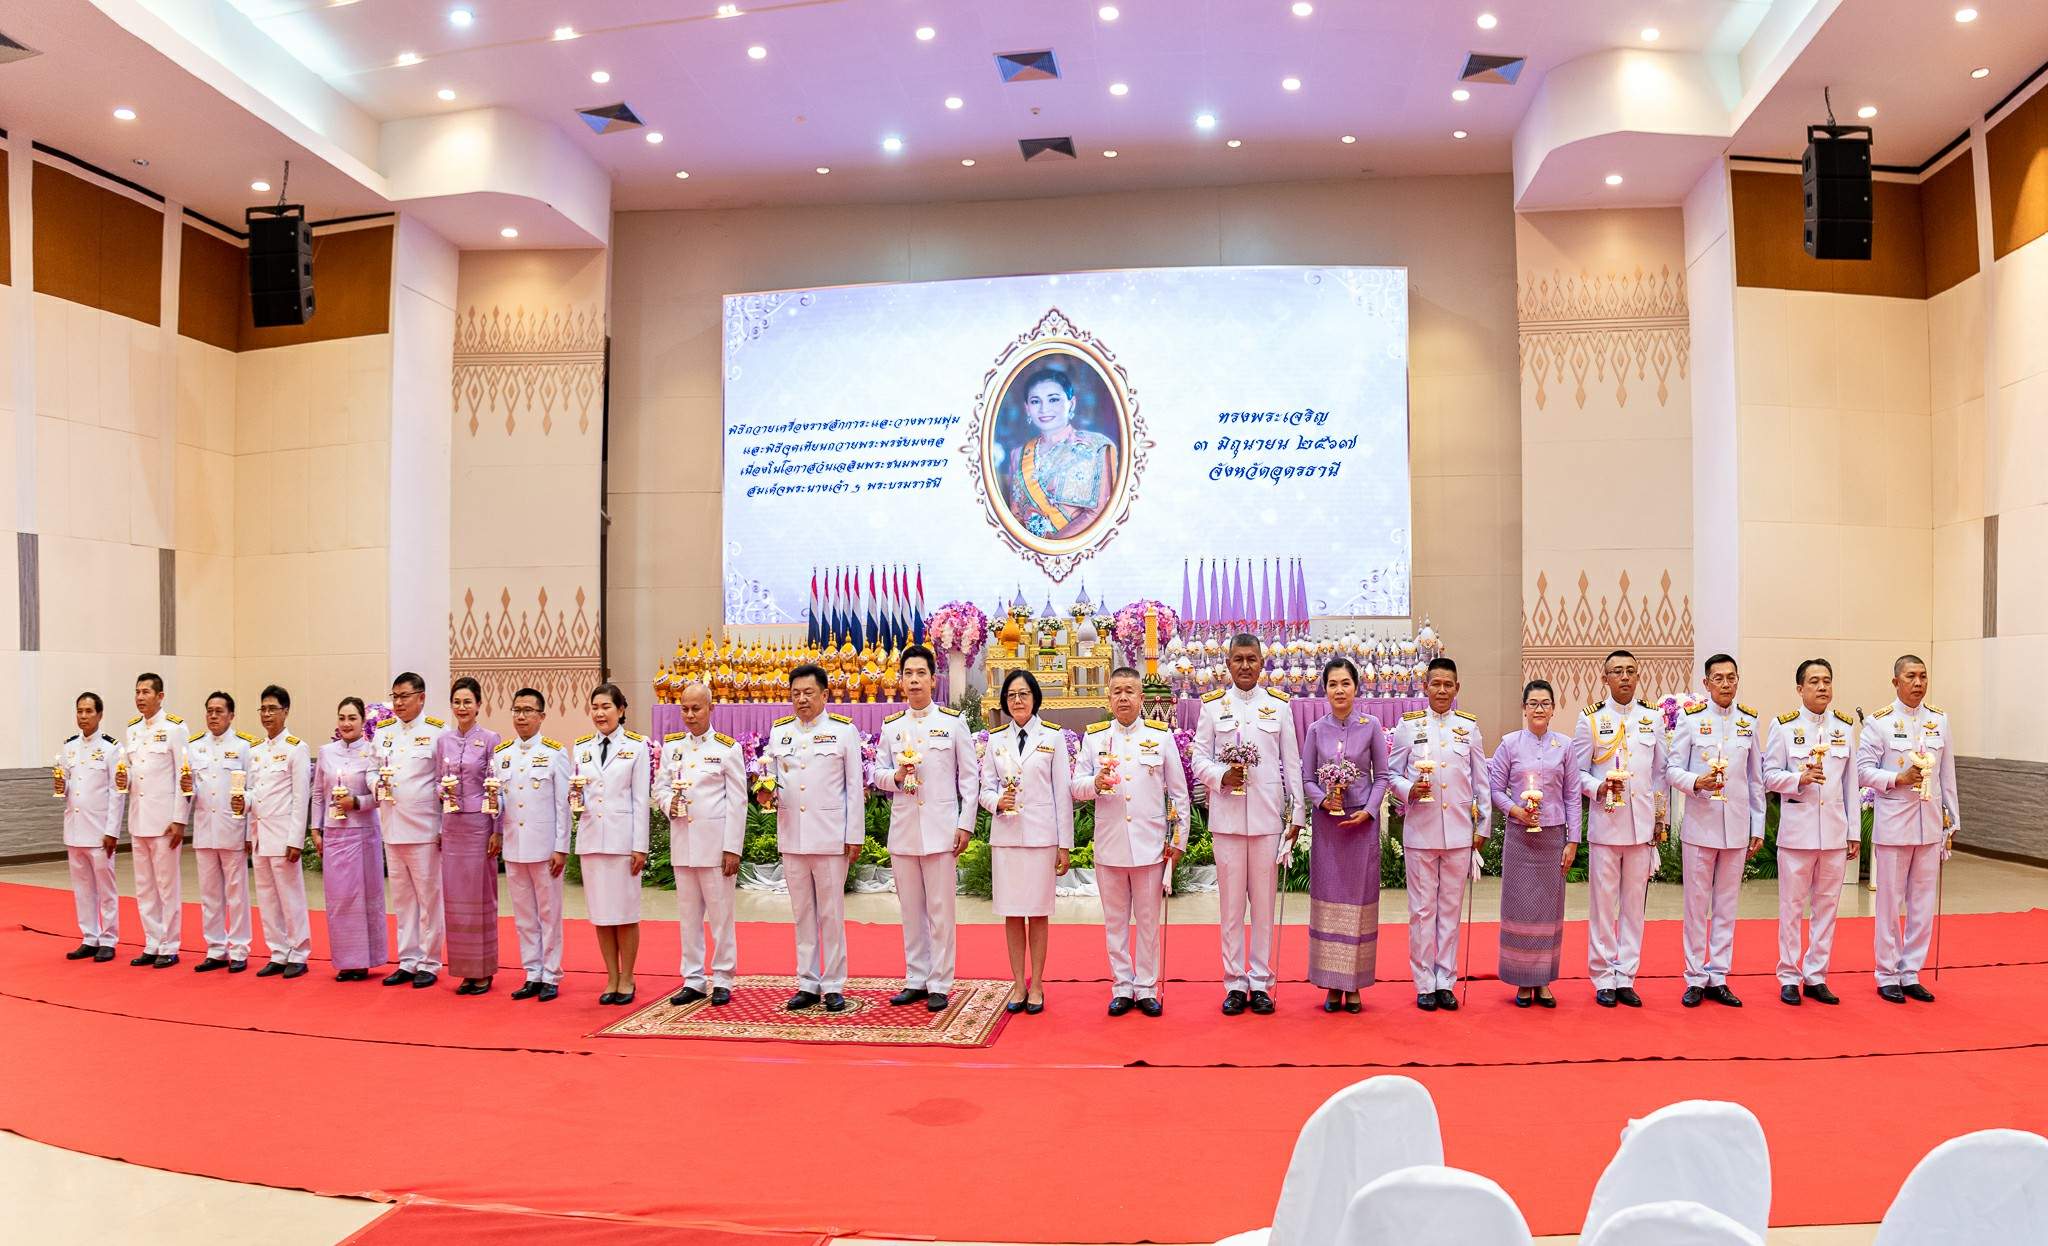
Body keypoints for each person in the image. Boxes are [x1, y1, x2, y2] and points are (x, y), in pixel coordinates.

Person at [1193, 633, 1303, 1016]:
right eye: (1238, 659)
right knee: (1231, 907)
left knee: (1263, 907)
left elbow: (1291, 763)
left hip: (1266, 820)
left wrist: (1298, 814)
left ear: (1261, 662)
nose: (1245, 665)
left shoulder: (1279, 707)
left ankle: (1260, 982)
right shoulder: (1212, 706)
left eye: (1251, 659)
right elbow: (1198, 758)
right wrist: (1221, 775)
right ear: (1228, 664)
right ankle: (1235, 983)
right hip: (1226, 820)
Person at [873, 645, 978, 1012]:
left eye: (921, 673)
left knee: (940, 909)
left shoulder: (952, 722)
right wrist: (895, 776)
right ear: (900, 681)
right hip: (904, 830)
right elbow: (877, 773)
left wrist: (965, 824)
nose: (914, 680)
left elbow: (969, 778)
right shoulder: (892, 727)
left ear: (934, 680)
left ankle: (940, 982)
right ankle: (916, 978)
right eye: (908, 674)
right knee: (910, 910)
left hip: (940, 829)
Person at [1388, 657, 1489, 1012]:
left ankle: (1446, 980)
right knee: (1421, 911)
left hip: (1459, 833)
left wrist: (1483, 826)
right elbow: (1392, 774)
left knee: (1450, 910)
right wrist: (1409, 789)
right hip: (1421, 831)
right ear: (1425, 686)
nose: (1442, 690)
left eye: (1448, 684)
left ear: (1457, 688)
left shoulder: (1468, 727)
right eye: (1436, 684)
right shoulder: (1408, 726)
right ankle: (1424, 983)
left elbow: (1481, 780)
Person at [1857, 654, 1958, 1004]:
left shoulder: (1939, 721)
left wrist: (1952, 820)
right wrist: (1897, 778)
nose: (1918, 683)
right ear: (1895, 682)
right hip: (1895, 825)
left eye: (1923, 676)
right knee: (1889, 902)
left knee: (1922, 904)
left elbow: (1947, 775)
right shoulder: (1879, 723)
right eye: (1911, 676)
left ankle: (1911, 972)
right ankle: (1887, 974)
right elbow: (1862, 771)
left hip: (1929, 825)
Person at [1666, 654, 1765, 1008]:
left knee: (1727, 905)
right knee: (1696, 906)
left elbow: (1755, 779)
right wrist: (1697, 782)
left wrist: (1757, 824)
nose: (1726, 684)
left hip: (1736, 826)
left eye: (1731, 677)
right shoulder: (1691, 720)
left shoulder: (1748, 721)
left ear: (1738, 680)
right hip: (1701, 826)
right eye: (1718, 678)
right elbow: (1672, 769)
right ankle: (1695, 977)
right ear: (1706, 683)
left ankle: (1719, 976)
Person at [768, 664, 866, 1011]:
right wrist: (766, 793)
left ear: (824, 694)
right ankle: (807, 983)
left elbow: (854, 787)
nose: (801, 699)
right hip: (793, 835)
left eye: (808, 693)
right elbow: (771, 780)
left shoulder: (842, 731)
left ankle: (834, 983)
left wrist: (854, 835)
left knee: (831, 913)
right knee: (802, 913)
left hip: (829, 836)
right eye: (795, 693)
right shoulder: (780, 732)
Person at [1575, 649, 1668, 1008]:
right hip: (1606, 825)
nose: (1625, 677)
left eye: (1630, 671)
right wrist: (1599, 788)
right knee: (1603, 905)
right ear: (1605, 678)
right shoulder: (1591, 719)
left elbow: (1660, 773)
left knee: (1633, 906)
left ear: (1637, 676)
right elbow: (1578, 773)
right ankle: (1603, 977)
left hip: (1641, 827)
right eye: (1617, 671)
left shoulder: (1652, 718)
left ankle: (1626, 975)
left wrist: (1659, 819)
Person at [1762, 658, 1858, 1005]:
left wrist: (1853, 831)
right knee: (1792, 907)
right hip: (1797, 833)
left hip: (1833, 832)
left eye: (1827, 681)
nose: (1822, 687)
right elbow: (1769, 775)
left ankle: (1816, 975)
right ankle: (1789, 975)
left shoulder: (1844, 727)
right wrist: (1798, 779)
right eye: (1814, 681)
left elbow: (1850, 784)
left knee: (1827, 907)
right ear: (1800, 688)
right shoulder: (1784, 726)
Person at [1301, 657, 1392, 1014]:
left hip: (1361, 826)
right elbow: (1307, 778)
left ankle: (1354, 984)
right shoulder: (1315, 730)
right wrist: (1323, 801)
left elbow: (1382, 776)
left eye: (1345, 683)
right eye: (1333, 684)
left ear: (1356, 687)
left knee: (1359, 902)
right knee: (1329, 901)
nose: (1339, 690)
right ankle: (1331, 983)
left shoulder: (1371, 727)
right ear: (1324, 689)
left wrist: (1369, 811)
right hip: (1329, 827)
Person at [981, 669, 1074, 1014]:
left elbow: (1062, 794)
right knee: (1011, 912)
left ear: (1035, 698)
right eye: (1011, 695)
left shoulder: (1053, 737)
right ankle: (1018, 984)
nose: (1017, 700)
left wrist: (1064, 845)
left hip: (1040, 837)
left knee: (1037, 913)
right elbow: (984, 788)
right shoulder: (995, 739)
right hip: (1006, 837)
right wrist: (996, 802)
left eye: (1023, 694)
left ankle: (1037, 985)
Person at [1489, 679, 1585, 1007]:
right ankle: (1521, 979)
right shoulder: (1509, 744)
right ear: (1524, 708)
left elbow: (1573, 796)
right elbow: (1494, 789)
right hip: (1520, 837)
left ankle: (1543, 980)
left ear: (1553, 709)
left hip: (1552, 837)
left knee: (1548, 909)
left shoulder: (1565, 746)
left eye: (1545, 703)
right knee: (1520, 907)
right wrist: (1515, 810)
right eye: (1533, 703)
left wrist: (1573, 840)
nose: (1539, 709)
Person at [655, 682, 746, 1007]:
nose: (690, 715)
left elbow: (738, 802)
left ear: (711, 709)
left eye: (696, 708)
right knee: (688, 918)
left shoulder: (727, 749)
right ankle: (693, 978)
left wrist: (732, 847)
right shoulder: (672, 749)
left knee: (721, 917)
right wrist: (668, 803)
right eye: (685, 709)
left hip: (715, 847)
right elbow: (660, 787)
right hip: (684, 844)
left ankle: (722, 978)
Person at [574, 683, 651, 1005]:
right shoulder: (581, 748)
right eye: (595, 707)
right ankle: (611, 977)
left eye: (606, 707)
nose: (600, 713)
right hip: (592, 840)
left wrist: (640, 846)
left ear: (621, 710)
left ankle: (628, 977)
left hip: (622, 842)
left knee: (625, 913)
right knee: (602, 914)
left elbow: (640, 800)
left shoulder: (637, 746)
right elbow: (579, 793)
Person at [494, 687, 571, 1002]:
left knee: (549, 913)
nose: (521, 716)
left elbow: (563, 804)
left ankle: (551, 974)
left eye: (528, 710)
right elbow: (499, 801)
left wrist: (561, 847)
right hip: (515, 845)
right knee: (524, 915)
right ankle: (532, 972)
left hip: (544, 847)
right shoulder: (502, 755)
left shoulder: (555, 753)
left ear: (541, 716)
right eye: (517, 710)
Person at [374, 672, 447, 988]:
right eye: (395, 696)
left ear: (421, 697)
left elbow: (446, 782)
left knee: (429, 899)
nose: (399, 702)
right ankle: (408, 959)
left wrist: (443, 826)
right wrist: (375, 783)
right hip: (392, 826)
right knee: (403, 900)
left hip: (424, 829)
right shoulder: (383, 733)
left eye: (404, 696)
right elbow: (371, 771)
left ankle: (430, 961)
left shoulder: (437, 732)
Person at [312, 697, 388, 981]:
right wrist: (315, 829)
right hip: (335, 834)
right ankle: (346, 961)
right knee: (340, 899)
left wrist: (357, 803)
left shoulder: (372, 752)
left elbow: (380, 798)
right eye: (342, 718)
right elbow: (318, 794)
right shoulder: (326, 752)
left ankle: (366, 960)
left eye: (352, 718)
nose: (346, 723)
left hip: (364, 834)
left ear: (362, 722)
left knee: (364, 897)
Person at [436, 677, 502, 995]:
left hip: (479, 825)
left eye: (467, 702)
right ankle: (464, 970)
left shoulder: (490, 739)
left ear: (478, 705)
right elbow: (437, 780)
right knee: (455, 898)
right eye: (457, 702)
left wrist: (496, 830)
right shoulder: (443, 741)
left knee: (480, 895)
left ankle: (483, 970)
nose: (462, 708)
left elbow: (496, 787)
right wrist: (442, 791)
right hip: (452, 826)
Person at [181, 691, 254, 974]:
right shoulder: (194, 746)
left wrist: (248, 834)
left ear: (231, 715)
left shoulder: (244, 746)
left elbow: (251, 791)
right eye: (209, 710)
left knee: (237, 894)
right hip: (204, 829)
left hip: (232, 828)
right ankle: (215, 948)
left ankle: (239, 949)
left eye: (219, 711)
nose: (213, 716)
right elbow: (191, 790)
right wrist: (186, 789)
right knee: (210, 895)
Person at [1002, 365, 1116, 540]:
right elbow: (1016, 516)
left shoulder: (1094, 447)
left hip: (1077, 549)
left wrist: (1053, 546)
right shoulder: (1017, 455)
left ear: (1072, 403)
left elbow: (1099, 513)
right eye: (1035, 401)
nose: (1044, 409)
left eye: (1053, 399)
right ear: (1027, 408)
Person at [244, 686, 312, 979]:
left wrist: (296, 839)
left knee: (290, 896)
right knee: (267, 898)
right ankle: (278, 952)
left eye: (272, 708)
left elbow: (301, 798)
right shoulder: (255, 751)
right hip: (260, 834)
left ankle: (299, 952)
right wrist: (244, 807)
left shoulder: (297, 748)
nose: (267, 714)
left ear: (286, 711)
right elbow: (253, 792)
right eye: (263, 709)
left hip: (284, 836)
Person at [124, 672, 188, 968]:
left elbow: (183, 776)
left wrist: (179, 819)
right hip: (139, 819)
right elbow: (132, 772)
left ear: (160, 696)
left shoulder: (175, 728)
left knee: (166, 886)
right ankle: (152, 942)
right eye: (137, 692)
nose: (140, 697)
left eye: (146, 692)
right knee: (145, 887)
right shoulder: (132, 729)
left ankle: (170, 945)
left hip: (164, 822)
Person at [56, 692, 125, 962]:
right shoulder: (69, 747)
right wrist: (61, 786)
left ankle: (108, 938)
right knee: (83, 889)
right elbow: (68, 787)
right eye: (80, 711)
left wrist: (112, 831)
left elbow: (117, 792)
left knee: (105, 888)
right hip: (75, 829)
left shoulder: (111, 748)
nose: (83, 716)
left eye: (89, 711)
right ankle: (89, 936)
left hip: (99, 831)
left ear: (100, 714)